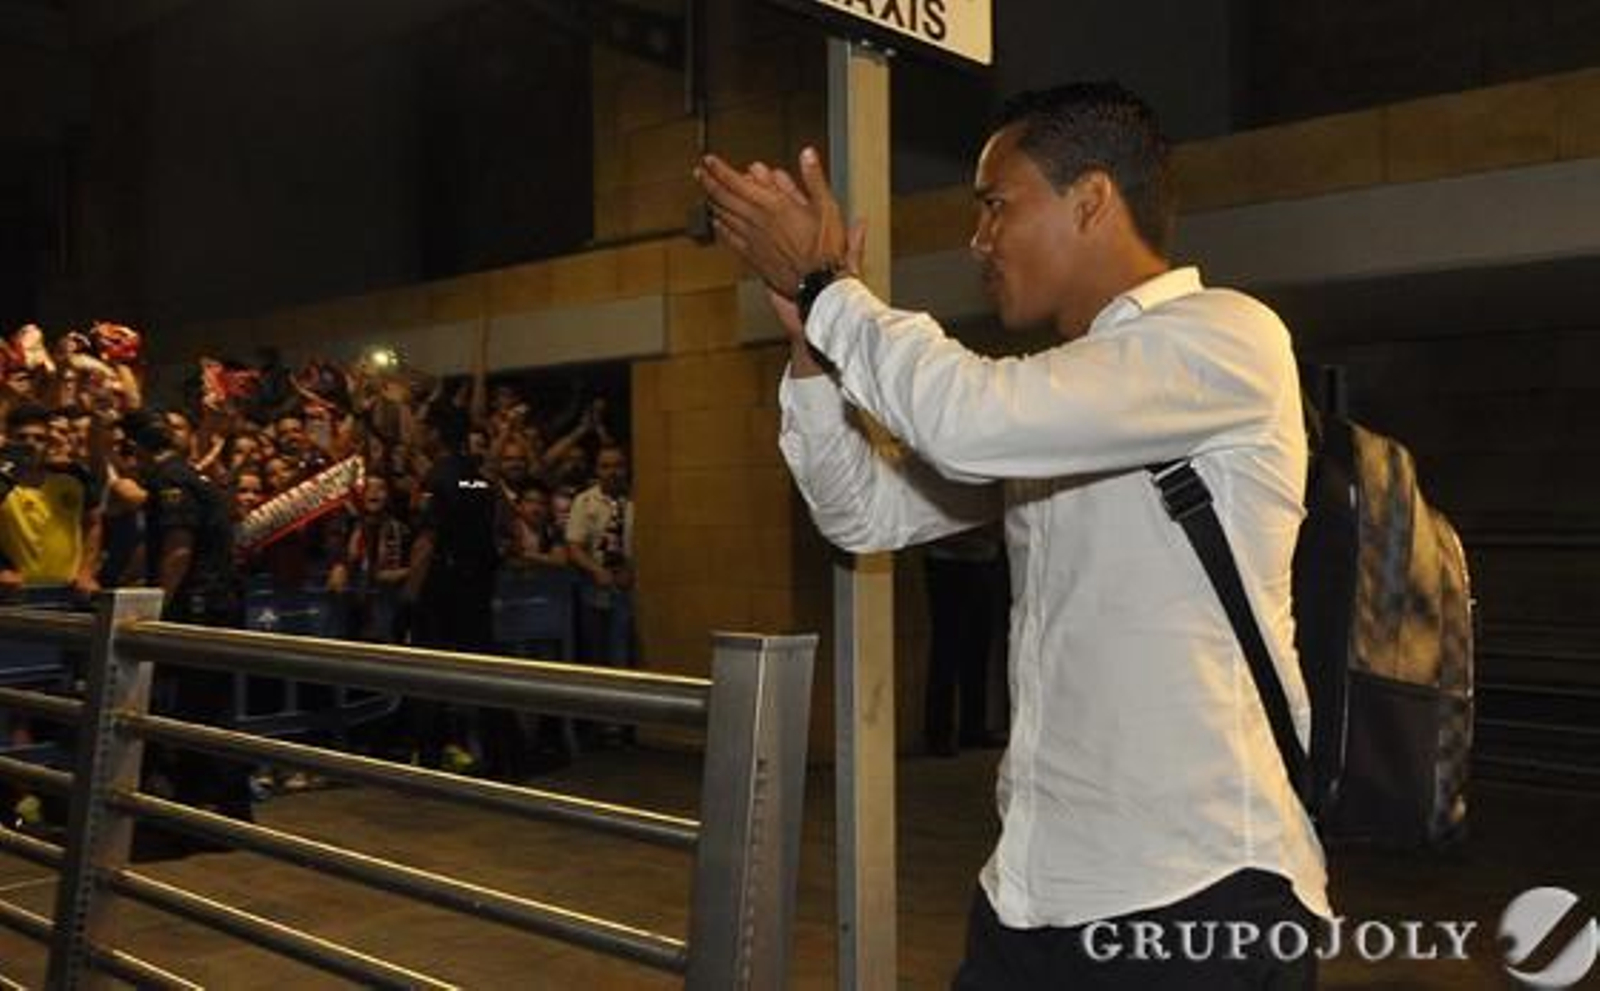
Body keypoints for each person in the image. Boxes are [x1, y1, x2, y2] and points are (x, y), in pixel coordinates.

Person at [696, 81, 1328, 988]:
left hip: (1198, 891)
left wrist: (830, 287)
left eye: (996, 206)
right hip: (1035, 894)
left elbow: (967, 420)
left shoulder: (1225, 338)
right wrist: (811, 341)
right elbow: (861, 511)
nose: (979, 240)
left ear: (1093, 198)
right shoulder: (1056, 402)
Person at [123, 408, 255, 856]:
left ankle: (207, 815)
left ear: (139, 450)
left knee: (198, 710)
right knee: (211, 708)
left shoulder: (170, 482)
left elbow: (178, 549)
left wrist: (155, 601)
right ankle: (224, 812)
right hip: (218, 603)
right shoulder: (192, 475)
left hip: (199, 607)